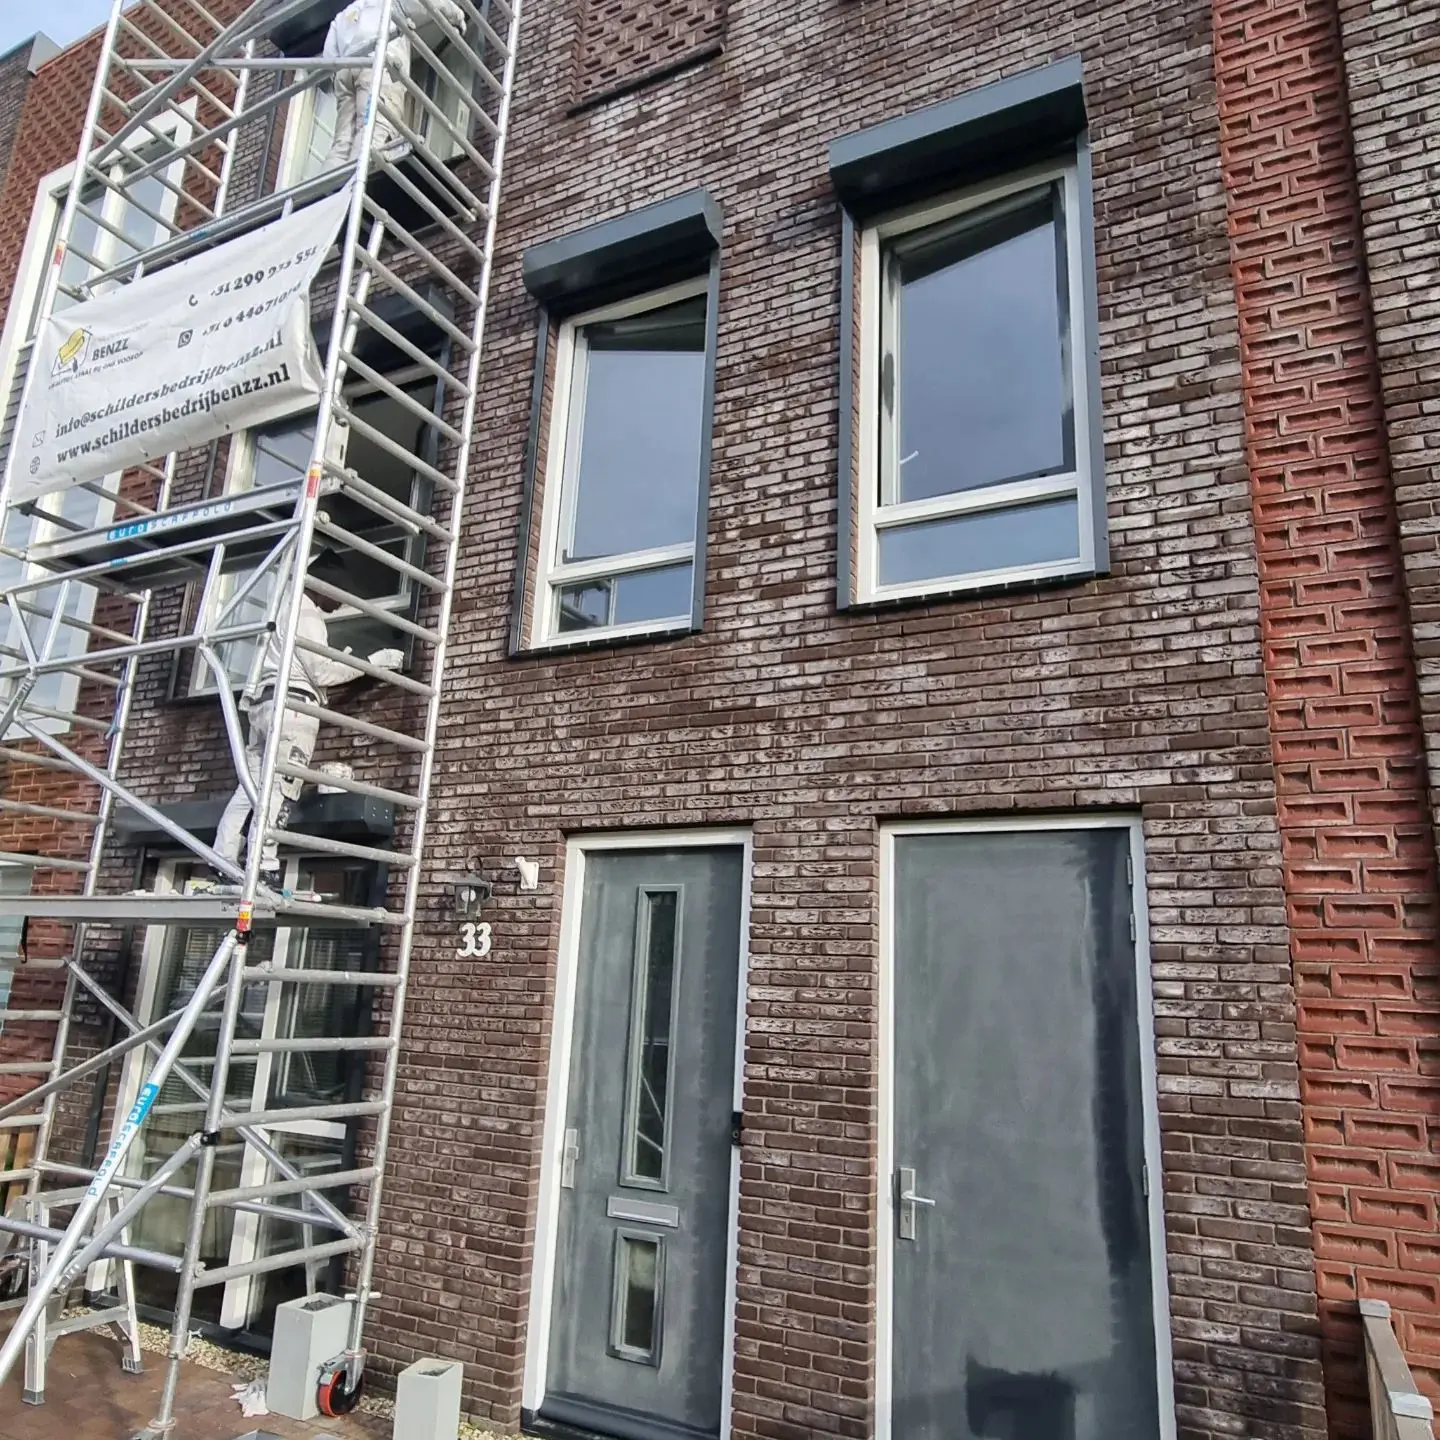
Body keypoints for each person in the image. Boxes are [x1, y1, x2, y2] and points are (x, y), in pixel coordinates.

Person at [214, 585, 402, 890]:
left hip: (264, 704)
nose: (339, 604)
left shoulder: (281, 604)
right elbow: (322, 673)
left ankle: (222, 858)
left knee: (250, 787)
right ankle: (263, 864)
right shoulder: (306, 612)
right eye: (337, 595)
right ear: (322, 585)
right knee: (282, 787)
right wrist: (373, 662)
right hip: (294, 710)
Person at [322, 0, 468, 169]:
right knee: (372, 127)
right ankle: (357, 179)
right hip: (376, 66)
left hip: (344, 72)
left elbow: (329, 57)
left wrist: (339, 77)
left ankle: (330, 182)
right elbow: (426, 3)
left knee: (342, 142)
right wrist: (458, 16)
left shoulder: (342, 17)